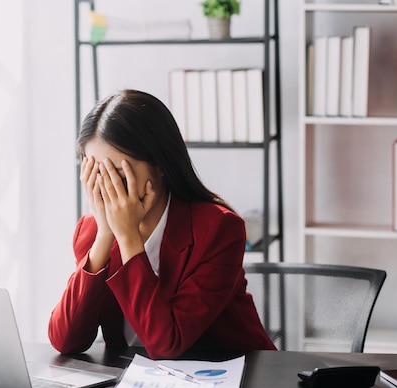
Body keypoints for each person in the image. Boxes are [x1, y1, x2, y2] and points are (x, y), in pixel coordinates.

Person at [48, 89, 276, 359]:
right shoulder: (91, 230)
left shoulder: (219, 229)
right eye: (97, 174)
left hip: (235, 378)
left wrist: (128, 237)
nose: (108, 189)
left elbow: (168, 344)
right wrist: (105, 236)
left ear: (160, 163)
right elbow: (65, 340)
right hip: (139, 384)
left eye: (118, 174)